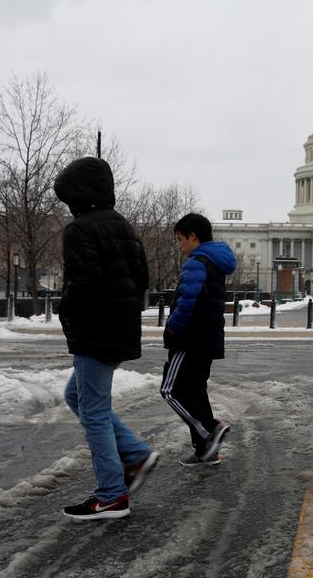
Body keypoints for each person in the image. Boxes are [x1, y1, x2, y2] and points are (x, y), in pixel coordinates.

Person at [55, 156, 159, 520]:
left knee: (93, 411)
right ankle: (134, 455)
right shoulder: (124, 227)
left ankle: (112, 494)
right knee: (77, 396)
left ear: (78, 195)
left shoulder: (81, 229)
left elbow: (81, 284)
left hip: (95, 332)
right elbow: (142, 280)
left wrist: (64, 310)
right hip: (119, 328)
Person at [162, 213, 237, 466]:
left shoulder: (198, 261)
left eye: (181, 239)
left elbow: (186, 303)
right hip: (207, 337)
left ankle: (211, 430)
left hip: (189, 339)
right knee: (195, 391)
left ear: (193, 236)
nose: (180, 245)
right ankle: (207, 451)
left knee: (170, 391)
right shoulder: (216, 262)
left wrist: (172, 329)